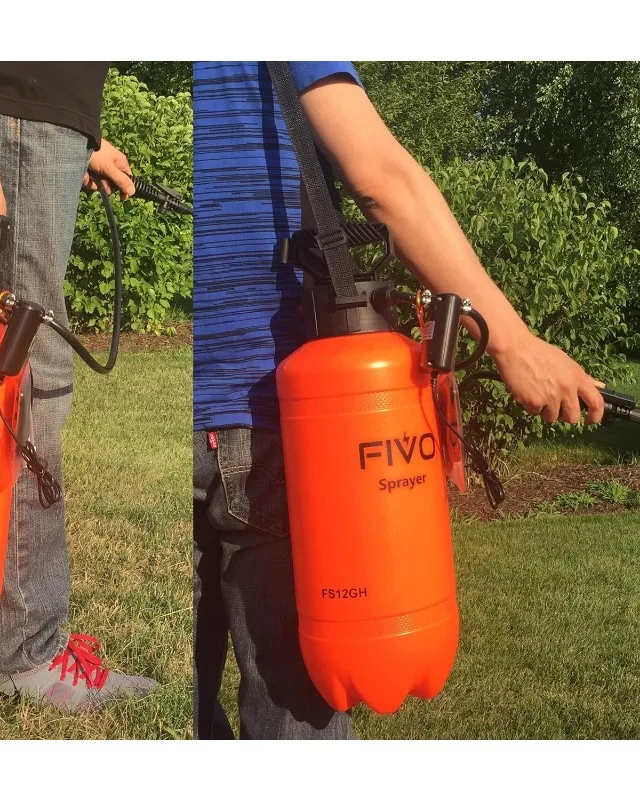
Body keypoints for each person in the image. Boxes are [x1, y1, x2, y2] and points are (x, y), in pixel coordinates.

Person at [192, 61, 605, 740]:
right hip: (267, 414)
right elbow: (381, 179)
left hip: (198, 401)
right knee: (296, 707)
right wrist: (513, 341)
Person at [0, 61, 157, 712]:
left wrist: (80, 133)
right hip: (5, 117)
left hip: (30, 120)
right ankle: (20, 652)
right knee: (27, 385)